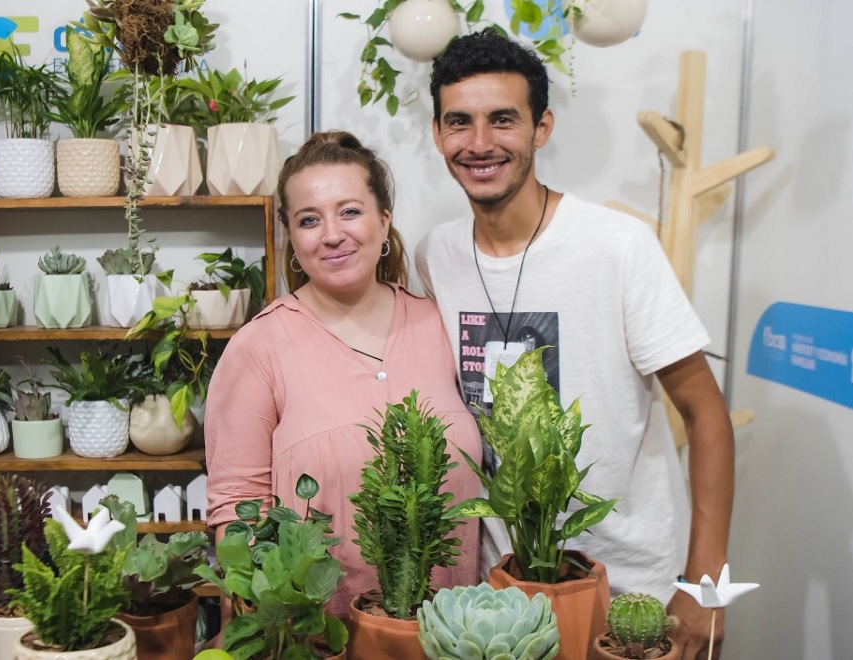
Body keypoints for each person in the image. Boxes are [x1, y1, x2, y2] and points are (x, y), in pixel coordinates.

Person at [415, 28, 735, 660]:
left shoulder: (617, 246)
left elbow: (707, 414)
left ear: (542, 128)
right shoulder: (436, 256)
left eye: (502, 120)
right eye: (460, 122)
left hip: (634, 592)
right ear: (436, 135)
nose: (479, 144)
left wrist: (704, 587)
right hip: (501, 601)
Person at [204, 130, 482, 617]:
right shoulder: (259, 348)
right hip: (320, 639)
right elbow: (237, 510)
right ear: (292, 237)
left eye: (350, 211)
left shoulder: (441, 325)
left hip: (448, 636)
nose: (332, 233)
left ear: (384, 220)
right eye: (310, 220)